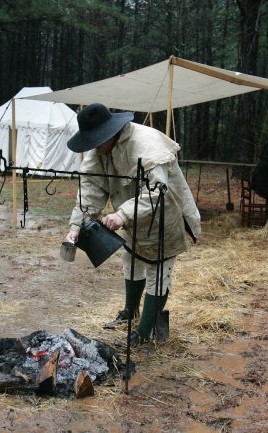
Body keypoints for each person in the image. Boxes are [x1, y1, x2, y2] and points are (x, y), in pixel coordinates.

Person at [64, 103, 201, 346]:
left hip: (164, 216)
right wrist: (76, 226)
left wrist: (121, 215)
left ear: (110, 132)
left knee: (158, 271)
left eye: (98, 140)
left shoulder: (146, 145)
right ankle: (130, 311)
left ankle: (144, 330)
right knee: (132, 259)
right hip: (133, 218)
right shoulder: (100, 152)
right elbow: (91, 190)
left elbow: (158, 192)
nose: (96, 146)